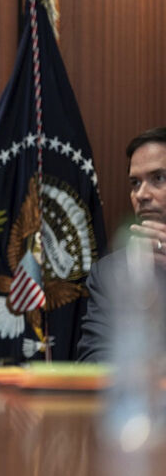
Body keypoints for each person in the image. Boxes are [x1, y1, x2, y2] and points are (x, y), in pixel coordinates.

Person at [77, 127, 166, 362]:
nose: (141, 194)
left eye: (159, 178)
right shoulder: (108, 273)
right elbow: (93, 360)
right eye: (135, 183)